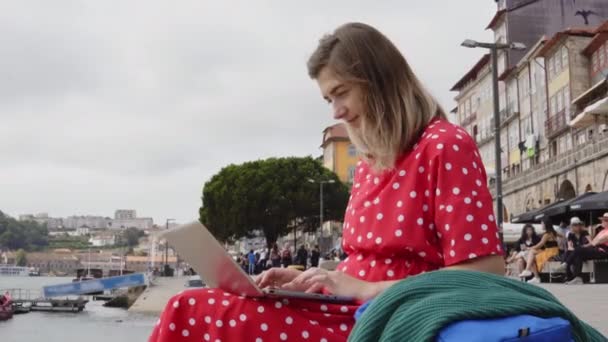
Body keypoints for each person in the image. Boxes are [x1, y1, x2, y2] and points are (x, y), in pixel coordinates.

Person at [149, 22, 504, 342]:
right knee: (197, 304)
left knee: (193, 311)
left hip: (385, 318)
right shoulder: (369, 163)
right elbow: (362, 263)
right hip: (341, 306)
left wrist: (364, 288)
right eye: (328, 99)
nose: (336, 111)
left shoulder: (444, 146)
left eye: (342, 92)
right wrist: (308, 279)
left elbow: (484, 272)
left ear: (380, 80)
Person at [563, 213, 608, 284]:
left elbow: (597, 242)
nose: (602, 222)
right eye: (602, 220)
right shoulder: (602, 231)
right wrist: (596, 240)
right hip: (597, 249)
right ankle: (577, 277)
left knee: (578, 250)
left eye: (604, 221)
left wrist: (596, 241)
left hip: (604, 251)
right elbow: (594, 241)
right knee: (578, 254)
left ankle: (566, 264)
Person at [519, 218, 560, 283]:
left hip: (550, 252)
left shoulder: (546, 235)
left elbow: (539, 245)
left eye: (542, 224)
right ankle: (533, 275)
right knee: (531, 255)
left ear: (545, 224)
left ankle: (530, 272)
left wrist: (529, 248)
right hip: (553, 251)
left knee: (531, 253)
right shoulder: (554, 233)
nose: (541, 225)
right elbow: (563, 237)